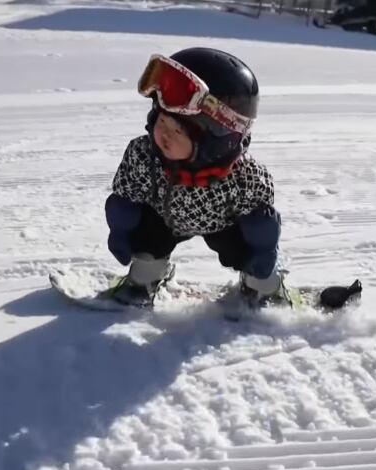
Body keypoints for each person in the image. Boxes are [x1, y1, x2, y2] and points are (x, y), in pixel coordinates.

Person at [104, 47, 291, 308]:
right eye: (161, 121)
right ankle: (146, 276)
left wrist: (263, 247)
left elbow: (261, 218)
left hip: (222, 225)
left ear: (215, 140)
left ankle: (263, 288)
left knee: (249, 250)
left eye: (178, 130)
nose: (164, 135)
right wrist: (122, 225)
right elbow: (127, 195)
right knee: (146, 240)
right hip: (165, 220)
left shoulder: (243, 176)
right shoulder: (144, 156)